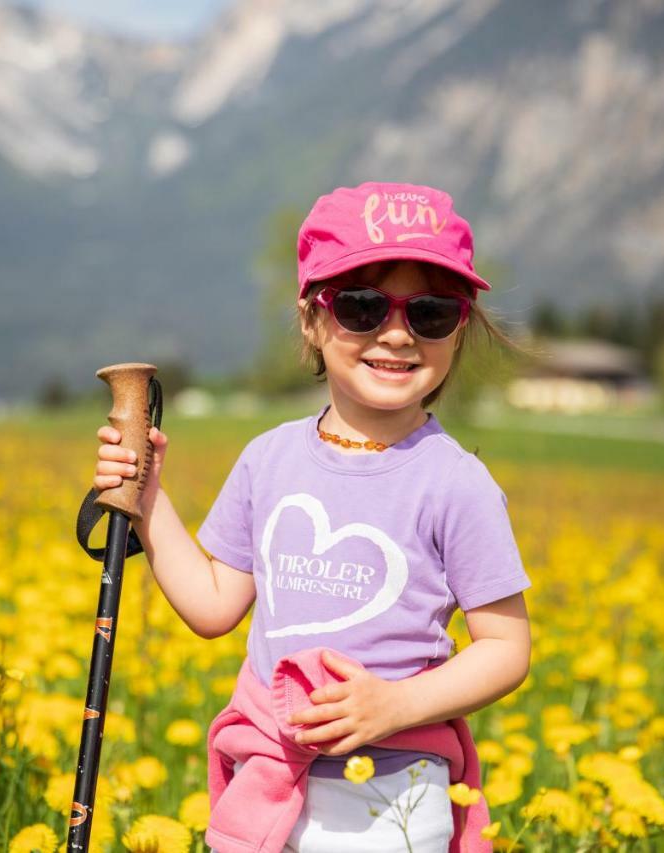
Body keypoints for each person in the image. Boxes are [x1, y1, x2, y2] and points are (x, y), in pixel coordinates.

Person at [94, 181, 532, 853]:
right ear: (312, 319)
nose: (396, 333)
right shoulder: (268, 459)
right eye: (361, 307)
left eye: (431, 312)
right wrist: (146, 497)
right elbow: (213, 606)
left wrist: (397, 704)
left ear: (461, 326)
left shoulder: (458, 483)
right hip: (265, 788)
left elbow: (506, 649)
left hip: (394, 798)